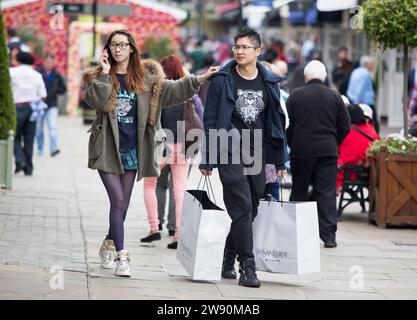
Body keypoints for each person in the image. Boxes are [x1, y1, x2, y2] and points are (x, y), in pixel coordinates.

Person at [82, 30, 218, 277]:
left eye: (122, 44)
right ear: (108, 49)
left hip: (134, 150)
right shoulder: (101, 76)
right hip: (107, 149)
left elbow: (175, 89)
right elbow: (96, 101)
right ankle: (122, 256)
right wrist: (103, 72)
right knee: (119, 201)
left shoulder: (145, 80)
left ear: (132, 48)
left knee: (121, 207)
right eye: (113, 45)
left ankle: (108, 243)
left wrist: (200, 79)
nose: (117, 49)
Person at [199, 28, 288, 288]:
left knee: (252, 208)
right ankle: (247, 266)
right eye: (236, 46)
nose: (239, 51)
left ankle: (228, 255)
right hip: (230, 150)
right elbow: (211, 120)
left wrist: (280, 160)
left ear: (257, 51)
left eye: (245, 47)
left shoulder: (269, 82)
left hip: (257, 151)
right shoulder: (222, 80)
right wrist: (208, 159)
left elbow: (276, 122)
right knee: (241, 206)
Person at [286, 60, 350, 249]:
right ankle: (328, 236)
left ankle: (294, 231)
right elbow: (345, 127)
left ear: (306, 76)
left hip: (302, 151)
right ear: (324, 77)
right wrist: (333, 141)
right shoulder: (335, 97)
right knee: (326, 193)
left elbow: (287, 126)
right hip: (327, 151)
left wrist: (294, 142)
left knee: (299, 190)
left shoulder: (295, 96)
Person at [141, 55, 200, 249]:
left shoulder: (159, 92)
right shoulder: (186, 94)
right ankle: (178, 235)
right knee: (180, 190)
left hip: (161, 146)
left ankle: (154, 228)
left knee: (151, 185)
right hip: (182, 146)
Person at [9, 52, 47, 176]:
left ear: (18, 60)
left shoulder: (12, 72)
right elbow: (43, 95)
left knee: (13, 135)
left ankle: (20, 160)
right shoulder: (36, 75)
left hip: (16, 107)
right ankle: (28, 168)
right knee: (29, 139)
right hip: (32, 109)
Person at [337, 103, 379, 192]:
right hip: (365, 173)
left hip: (345, 173)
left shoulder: (348, 131)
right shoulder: (371, 131)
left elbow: (338, 149)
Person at [36, 53, 67, 157]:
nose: (49, 64)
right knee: (39, 128)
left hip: (52, 104)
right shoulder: (38, 73)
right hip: (40, 105)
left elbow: (63, 88)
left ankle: (53, 148)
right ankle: (40, 149)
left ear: (53, 63)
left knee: (52, 127)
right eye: (47, 61)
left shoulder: (57, 74)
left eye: (51, 62)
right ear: (44, 62)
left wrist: (55, 90)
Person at [347, 56, 379, 133]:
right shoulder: (366, 73)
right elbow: (361, 89)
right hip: (366, 102)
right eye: (371, 64)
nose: (373, 66)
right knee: (374, 124)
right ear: (366, 64)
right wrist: (358, 100)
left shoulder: (355, 71)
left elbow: (350, 89)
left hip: (354, 102)